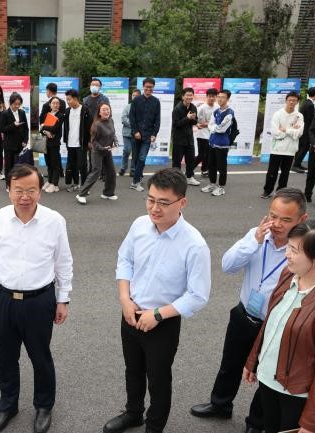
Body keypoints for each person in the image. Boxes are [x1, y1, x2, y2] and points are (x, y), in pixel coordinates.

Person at [190, 188, 308, 433]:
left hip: (275, 325)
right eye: (273, 216)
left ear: (302, 220)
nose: (277, 224)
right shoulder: (257, 236)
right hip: (243, 314)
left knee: (266, 376)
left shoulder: (303, 250)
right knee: (230, 364)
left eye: (286, 219)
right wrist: (254, 241)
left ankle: (256, 423)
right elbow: (228, 266)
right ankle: (220, 404)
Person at [104, 168, 211, 433]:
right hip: (131, 312)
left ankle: (154, 427)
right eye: (150, 200)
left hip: (163, 321)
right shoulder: (140, 225)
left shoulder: (195, 245)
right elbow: (125, 259)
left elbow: (198, 295)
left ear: (182, 202)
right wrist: (124, 299)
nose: (154, 208)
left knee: (158, 379)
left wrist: (159, 315)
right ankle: (133, 413)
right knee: (133, 370)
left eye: (163, 202)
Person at [0, 164, 73, 433]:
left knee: (40, 356)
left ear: (40, 191)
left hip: (40, 301)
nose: (24, 196)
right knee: (6, 357)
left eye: (31, 190)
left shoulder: (54, 221)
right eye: (18, 190)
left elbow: (63, 262)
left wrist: (63, 299)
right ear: (8, 190)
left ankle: (44, 406)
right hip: (2, 299)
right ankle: (8, 405)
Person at [243, 220, 315, 433]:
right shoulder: (288, 274)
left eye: (294, 250)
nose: (287, 254)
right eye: (289, 246)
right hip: (267, 380)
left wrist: (311, 422)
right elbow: (270, 324)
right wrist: (252, 360)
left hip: (294, 394)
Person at [261, 92, 304, 199]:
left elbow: (299, 133)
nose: (291, 102)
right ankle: (267, 191)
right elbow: (275, 132)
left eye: (294, 100)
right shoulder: (278, 114)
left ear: (297, 102)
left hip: (290, 149)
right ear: (286, 100)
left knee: (285, 173)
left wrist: (285, 130)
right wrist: (291, 131)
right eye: (290, 100)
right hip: (277, 148)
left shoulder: (299, 116)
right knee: (272, 172)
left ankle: (281, 192)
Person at [76, 102, 118, 204]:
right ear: (99, 112)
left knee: (111, 172)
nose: (106, 111)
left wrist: (116, 142)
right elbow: (93, 142)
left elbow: (113, 134)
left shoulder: (111, 120)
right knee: (96, 172)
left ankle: (108, 193)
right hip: (97, 151)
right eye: (103, 110)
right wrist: (102, 148)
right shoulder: (96, 124)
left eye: (107, 109)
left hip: (107, 151)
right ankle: (81, 194)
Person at [129, 78, 161, 192]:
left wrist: (154, 134)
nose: (148, 89)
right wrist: (135, 131)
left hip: (147, 136)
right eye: (147, 87)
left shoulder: (156, 102)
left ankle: (135, 182)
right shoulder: (136, 100)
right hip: (136, 135)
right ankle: (138, 176)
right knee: (136, 158)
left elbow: (157, 119)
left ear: (153, 88)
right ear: (143, 87)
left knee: (142, 158)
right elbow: (132, 117)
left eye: (151, 87)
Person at [201, 90, 234, 197]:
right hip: (212, 142)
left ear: (227, 99)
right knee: (211, 165)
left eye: (223, 97)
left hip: (222, 144)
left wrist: (214, 127)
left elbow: (222, 129)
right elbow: (210, 125)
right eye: (219, 97)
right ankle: (212, 184)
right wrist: (214, 127)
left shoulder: (229, 113)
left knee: (222, 166)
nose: (220, 99)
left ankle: (221, 187)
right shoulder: (216, 111)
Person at [63, 89, 92, 191]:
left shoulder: (85, 110)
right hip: (70, 143)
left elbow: (90, 126)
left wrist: (90, 140)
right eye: (67, 99)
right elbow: (65, 127)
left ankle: (84, 186)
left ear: (75, 99)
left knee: (82, 165)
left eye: (69, 99)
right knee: (72, 165)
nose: (67, 101)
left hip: (82, 143)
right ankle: (75, 183)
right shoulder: (67, 111)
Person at [171, 87, 200, 187]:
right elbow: (176, 124)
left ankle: (189, 177)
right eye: (187, 95)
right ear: (183, 96)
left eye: (191, 95)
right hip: (178, 139)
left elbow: (195, 122)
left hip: (189, 138)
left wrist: (193, 119)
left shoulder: (193, 107)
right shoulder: (177, 109)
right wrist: (187, 118)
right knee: (177, 161)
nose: (189, 97)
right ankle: (176, 179)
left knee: (190, 159)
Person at [1, 92, 30, 187]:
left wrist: (25, 140)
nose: (17, 106)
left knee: (19, 166)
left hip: (20, 144)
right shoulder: (5, 113)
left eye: (19, 104)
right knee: (9, 165)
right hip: (9, 144)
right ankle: (8, 184)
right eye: (15, 104)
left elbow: (26, 128)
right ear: (10, 103)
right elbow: (2, 129)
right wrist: (13, 125)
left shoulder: (22, 112)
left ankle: (18, 183)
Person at [40, 82, 67, 183]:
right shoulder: (62, 102)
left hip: (55, 135)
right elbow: (42, 123)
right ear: (50, 105)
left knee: (54, 158)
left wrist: (44, 127)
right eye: (53, 103)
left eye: (57, 104)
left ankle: (54, 181)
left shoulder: (56, 106)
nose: (55, 105)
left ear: (49, 91)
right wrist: (45, 131)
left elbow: (43, 122)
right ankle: (55, 176)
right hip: (48, 137)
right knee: (51, 159)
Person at [83, 78, 111, 172]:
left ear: (100, 87)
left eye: (96, 85)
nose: (94, 86)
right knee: (91, 151)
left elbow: (108, 114)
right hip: (90, 130)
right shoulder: (85, 100)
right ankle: (92, 170)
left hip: (102, 129)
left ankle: (103, 172)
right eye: (92, 85)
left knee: (103, 151)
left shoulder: (104, 99)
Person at [292, 86, 315, 173]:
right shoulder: (310, 105)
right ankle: (296, 165)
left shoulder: (305, 103)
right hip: (306, 130)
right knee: (304, 148)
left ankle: (297, 164)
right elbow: (310, 120)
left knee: (301, 147)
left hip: (302, 129)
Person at [195, 88, 219, 177]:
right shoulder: (201, 108)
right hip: (202, 134)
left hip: (212, 134)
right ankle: (189, 170)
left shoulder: (217, 107)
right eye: (210, 96)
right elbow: (198, 122)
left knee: (208, 155)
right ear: (207, 97)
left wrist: (208, 124)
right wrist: (208, 124)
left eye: (214, 96)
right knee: (201, 155)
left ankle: (204, 170)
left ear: (216, 97)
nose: (212, 98)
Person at [120, 89, 141, 177]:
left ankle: (133, 169)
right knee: (127, 150)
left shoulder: (142, 108)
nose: (134, 97)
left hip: (137, 135)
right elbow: (123, 119)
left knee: (135, 153)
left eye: (136, 95)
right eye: (133, 95)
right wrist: (134, 124)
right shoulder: (127, 107)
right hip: (127, 134)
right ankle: (123, 168)